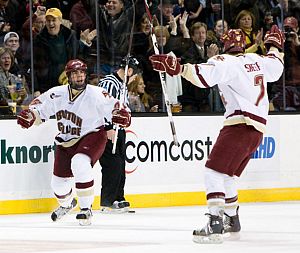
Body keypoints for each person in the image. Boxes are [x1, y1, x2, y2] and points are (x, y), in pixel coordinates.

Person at [149, 25, 284, 243]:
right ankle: (232, 218)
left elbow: (204, 77)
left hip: (239, 124)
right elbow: (277, 64)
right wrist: (274, 46)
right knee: (226, 175)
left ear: (225, 45)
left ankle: (215, 222)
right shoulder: (258, 60)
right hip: (257, 131)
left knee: (212, 172)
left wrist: (178, 68)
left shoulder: (226, 61)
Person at [16, 59, 131, 225]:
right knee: (58, 185)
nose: (79, 76)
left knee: (80, 162)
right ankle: (68, 203)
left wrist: (123, 115)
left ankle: (86, 209)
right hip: (66, 140)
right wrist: (31, 116)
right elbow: (38, 110)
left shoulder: (96, 93)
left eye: (82, 73)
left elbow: (117, 107)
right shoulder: (57, 93)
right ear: (68, 76)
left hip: (93, 134)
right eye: (75, 73)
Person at [98, 55, 140, 213]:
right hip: (109, 131)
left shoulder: (123, 85)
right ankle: (108, 201)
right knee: (112, 164)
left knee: (120, 164)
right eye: (134, 74)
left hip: (120, 130)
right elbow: (102, 106)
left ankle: (118, 197)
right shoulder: (110, 82)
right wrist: (108, 127)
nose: (135, 77)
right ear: (129, 71)